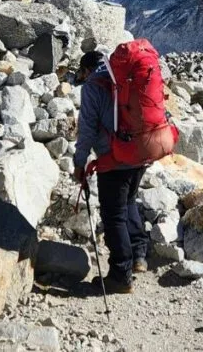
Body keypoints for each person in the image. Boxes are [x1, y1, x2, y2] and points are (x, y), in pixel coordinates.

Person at [72, 50, 150, 294]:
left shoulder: (92, 86)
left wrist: (79, 161)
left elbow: (86, 129)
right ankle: (139, 256)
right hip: (141, 151)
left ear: (86, 70)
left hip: (114, 158)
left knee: (114, 214)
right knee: (128, 202)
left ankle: (120, 274)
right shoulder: (124, 77)